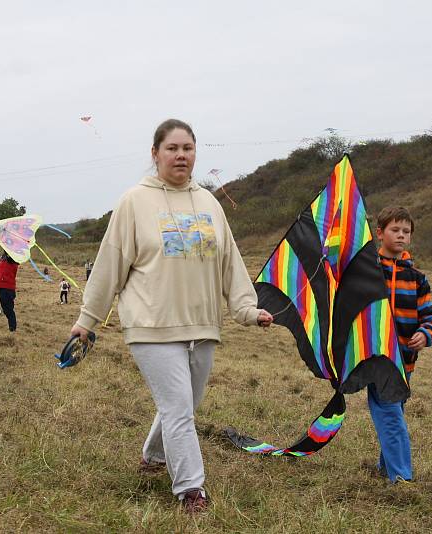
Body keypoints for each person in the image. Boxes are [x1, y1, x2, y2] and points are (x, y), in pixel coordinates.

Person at [68, 119, 273, 513]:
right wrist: (87, 320)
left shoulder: (210, 203)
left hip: (202, 323)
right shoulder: (134, 201)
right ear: (155, 154)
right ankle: (191, 490)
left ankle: (153, 456)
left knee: (183, 405)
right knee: (179, 409)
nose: (181, 155)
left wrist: (247, 310)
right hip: (150, 324)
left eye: (188, 148)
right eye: (172, 148)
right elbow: (110, 264)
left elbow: (230, 263)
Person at [371, 206, 432, 483]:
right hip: (375, 357)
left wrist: (426, 333)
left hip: (406, 359)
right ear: (380, 233)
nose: (401, 235)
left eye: (406, 232)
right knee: (389, 411)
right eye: (395, 230)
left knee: (395, 411)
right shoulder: (368, 269)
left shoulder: (417, 278)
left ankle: (386, 468)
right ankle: (400, 477)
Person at [0, 251, 20, 332]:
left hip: (7, 288)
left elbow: (11, 259)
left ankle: (12, 329)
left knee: (8, 309)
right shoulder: (3, 259)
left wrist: (9, 251)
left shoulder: (12, 259)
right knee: (6, 309)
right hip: (2, 286)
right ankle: (12, 327)